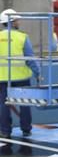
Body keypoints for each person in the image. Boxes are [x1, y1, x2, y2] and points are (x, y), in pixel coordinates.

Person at [0, 9, 41, 142]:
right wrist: (38, 73)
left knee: (3, 105)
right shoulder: (22, 37)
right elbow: (30, 58)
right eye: (17, 20)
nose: (19, 22)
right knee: (24, 104)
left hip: (2, 78)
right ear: (11, 22)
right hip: (21, 77)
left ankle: (5, 131)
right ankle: (26, 129)